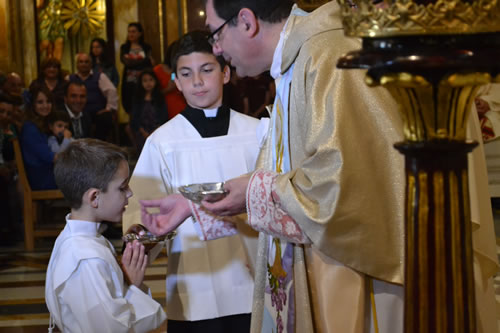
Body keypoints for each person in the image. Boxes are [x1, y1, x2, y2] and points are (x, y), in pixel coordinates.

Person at [140, 1, 407, 332]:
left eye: (215, 34)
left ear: (247, 22)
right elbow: (288, 173)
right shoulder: (301, 59)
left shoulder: (325, 57)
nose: (217, 47)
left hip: (349, 274)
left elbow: (341, 187)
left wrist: (250, 193)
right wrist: (189, 203)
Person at [123, 30, 269, 333]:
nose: (197, 82)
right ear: (176, 82)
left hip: (256, 280)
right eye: (186, 74)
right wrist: (139, 233)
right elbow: (141, 208)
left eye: (207, 70)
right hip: (196, 284)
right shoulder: (163, 142)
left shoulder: (258, 133)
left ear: (226, 73)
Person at [45, 138, 166, 332]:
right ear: (94, 197)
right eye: (122, 187)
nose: (130, 193)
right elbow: (109, 328)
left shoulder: (80, 239)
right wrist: (132, 287)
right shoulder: (85, 260)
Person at [69, 53, 118, 141]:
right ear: (77, 64)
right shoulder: (70, 78)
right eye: (81, 62)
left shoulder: (100, 76)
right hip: (77, 113)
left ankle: (98, 144)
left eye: (86, 62)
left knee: (105, 118)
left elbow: (112, 91)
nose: (83, 64)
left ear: (91, 64)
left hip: (96, 113)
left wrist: (109, 108)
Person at [19, 85, 58, 190]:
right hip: (42, 179)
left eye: (48, 101)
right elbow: (49, 157)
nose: (45, 106)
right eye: (40, 102)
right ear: (32, 105)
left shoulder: (41, 125)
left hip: (48, 173)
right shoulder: (30, 128)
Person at [120, 22, 154, 115]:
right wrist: (143, 61)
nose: (131, 34)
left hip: (143, 83)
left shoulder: (146, 47)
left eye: (133, 32)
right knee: (131, 109)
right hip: (129, 83)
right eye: (129, 32)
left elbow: (148, 64)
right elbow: (126, 62)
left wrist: (132, 60)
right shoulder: (125, 47)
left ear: (140, 33)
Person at [130, 69, 167, 152]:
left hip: (157, 131)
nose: (148, 83)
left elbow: (163, 116)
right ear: (141, 83)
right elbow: (134, 117)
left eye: (151, 80)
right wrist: (143, 132)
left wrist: (155, 131)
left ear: (155, 81)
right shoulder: (137, 99)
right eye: (145, 81)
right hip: (141, 132)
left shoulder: (160, 97)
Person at [153, 41, 187, 120]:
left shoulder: (183, 69)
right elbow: (152, 94)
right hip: (164, 109)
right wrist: (168, 89)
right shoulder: (157, 70)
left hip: (182, 107)